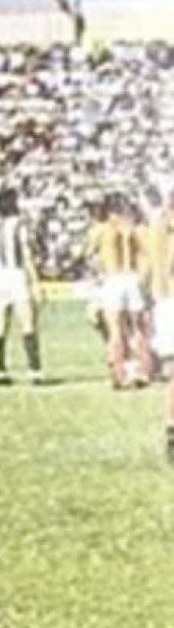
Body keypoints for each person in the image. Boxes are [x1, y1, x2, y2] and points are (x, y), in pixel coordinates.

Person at [0, 187, 44, 385]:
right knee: (27, 322)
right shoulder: (20, 225)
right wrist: (36, 282)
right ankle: (34, 369)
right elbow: (26, 255)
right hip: (16, 275)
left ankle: (0, 370)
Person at [86, 193, 151, 389]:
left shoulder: (102, 229)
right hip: (131, 278)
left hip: (113, 279)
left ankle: (118, 374)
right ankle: (140, 371)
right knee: (137, 329)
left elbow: (88, 255)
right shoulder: (132, 229)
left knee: (115, 330)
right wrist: (142, 277)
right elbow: (145, 254)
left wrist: (97, 271)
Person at [141, 177, 174, 462]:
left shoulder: (153, 227)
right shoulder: (169, 229)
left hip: (161, 303)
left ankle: (171, 430)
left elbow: (147, 270)